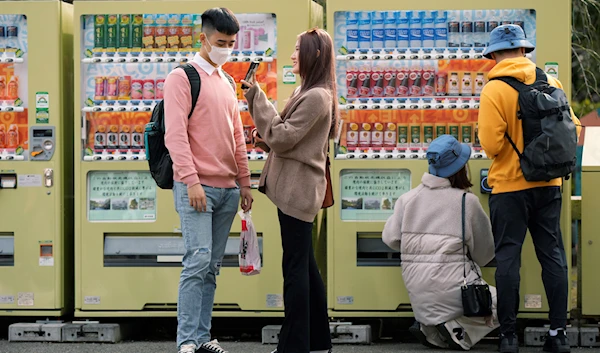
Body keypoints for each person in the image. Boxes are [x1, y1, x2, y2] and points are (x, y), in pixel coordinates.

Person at [478, 24, 582, 353]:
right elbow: (575, 129)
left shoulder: (493, 89)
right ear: (524, 50)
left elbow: (491, 144)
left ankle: (508, 337)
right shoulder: (551, 81)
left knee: (508, 258)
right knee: (553, 255)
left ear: (494, 54)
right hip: (549, 183)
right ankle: (558, 335)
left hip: (509, 186)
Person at [241, 28, 336, 353]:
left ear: (315, 55)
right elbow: (287, 136)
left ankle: (293, 346)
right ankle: (319, 342)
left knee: (294, 269)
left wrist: (256, 97)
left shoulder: (316, 96)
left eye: (299, 49)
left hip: (298, 192)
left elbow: (283, 138)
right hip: (295, 189)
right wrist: (261, 134)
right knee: (306, 266)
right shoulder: (308, 91)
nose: (293, 55)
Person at [164, 7, 253, 353]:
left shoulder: (227, 80)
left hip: (228, 190)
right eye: (220, 42)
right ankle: (186, 339)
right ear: (202, 38)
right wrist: (191, 181)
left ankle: (203, 337)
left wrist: (244, 181)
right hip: (196, 188)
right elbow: (176, 136)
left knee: (212, 267)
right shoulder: (182, 77)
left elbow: (236, 136)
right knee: (197, 261)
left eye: (231, 43)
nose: (226, 48)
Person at [382, 135, 498, 351]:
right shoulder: (467, 202)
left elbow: (390, 238)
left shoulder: (407, 199)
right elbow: (485, 254)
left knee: (437, 303)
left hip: (418, 295)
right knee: (506, 302)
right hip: (457, 295)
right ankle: (458, 330)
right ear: (461, 167)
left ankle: (431, 330)